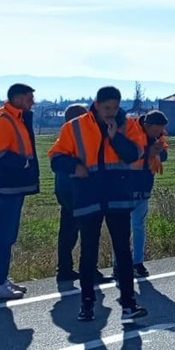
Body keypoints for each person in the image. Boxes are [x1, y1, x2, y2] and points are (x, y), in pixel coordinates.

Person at [49, 86, 149, 322]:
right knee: (88, 252)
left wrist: (116, 137)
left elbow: (134, 154)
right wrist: (75, 166)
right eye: (107, 108)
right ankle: (87, 305)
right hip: (88, 196)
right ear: (97, 104)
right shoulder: (75, 127)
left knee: (123, 251)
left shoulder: (129, 125)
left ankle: (128, 304)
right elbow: (56, 157)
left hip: (118, 196)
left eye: (115, 107)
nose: (111, 113)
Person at [0, 83, 40, 301]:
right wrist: (23, 163)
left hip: (14, 185)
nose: (32, 102)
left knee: (9, 235)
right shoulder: (3, 120)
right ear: (17, 98)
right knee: (5, 235)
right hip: (8, 185)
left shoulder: (16, 118)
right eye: (29, 98)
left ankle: (0, 279)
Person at [54, 104, 115, 285]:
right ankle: (90, 271)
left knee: (67, 231)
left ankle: (64, 269)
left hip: (65, 191)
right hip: (82, 191)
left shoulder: (63, 138)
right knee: (89, 233)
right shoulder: (83, 138)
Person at [127, 111, 169, 278]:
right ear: (147, 125)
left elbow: (163, 155)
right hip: (126, 189)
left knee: (138, 227)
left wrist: (157, 151)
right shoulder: (131, 132)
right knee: (123, 230)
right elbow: (127, 156)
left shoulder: (157, 136)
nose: (158, 133)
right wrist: (149, 152)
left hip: (144, 188)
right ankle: (119, 265)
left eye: (161, 130)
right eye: (156, 130)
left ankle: (138, 263)